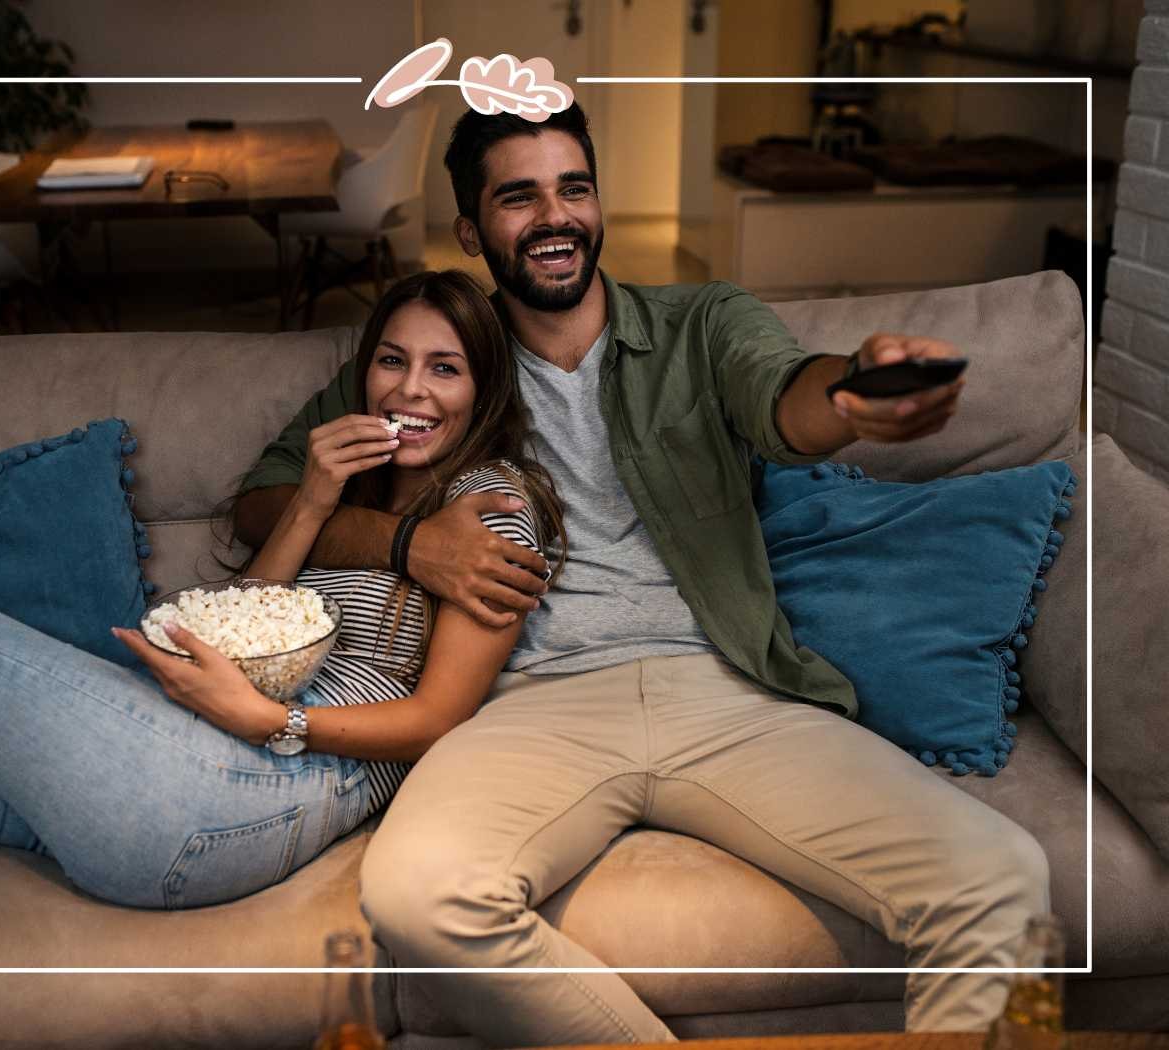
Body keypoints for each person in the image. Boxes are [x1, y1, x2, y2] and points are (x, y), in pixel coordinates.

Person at [232, 103, 1050, 1044]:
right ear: (471, 230)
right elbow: (267, 497)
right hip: (526, 705)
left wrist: (855, 393)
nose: (556, 216)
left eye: (574, 188)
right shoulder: (447, 352)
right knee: (421, 900)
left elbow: (787, 400)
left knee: (1003, 883)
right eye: (520, 197)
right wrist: (408, 544)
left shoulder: (702, 324)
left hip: (725, 692)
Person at [0, 269, 564, 910]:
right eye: (392, 361)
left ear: (484, 388)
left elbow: (439, 719)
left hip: (245, 794)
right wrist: (316, 494)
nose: (410, 391)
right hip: (142, 787)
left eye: (444, 368)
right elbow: (240, 618)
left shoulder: (492, 506)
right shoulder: (360, 487)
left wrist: (270, 719)